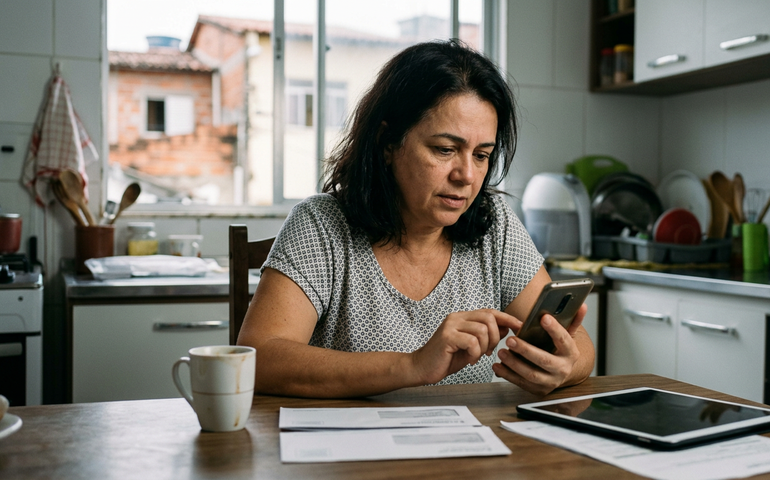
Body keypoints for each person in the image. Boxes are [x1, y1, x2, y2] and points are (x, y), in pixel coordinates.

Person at [237, 40, 594, 398]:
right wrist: (413, 365)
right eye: (444, 150)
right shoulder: (322, 224)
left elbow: (578, 346)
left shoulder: (495, 225)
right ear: (387, 142)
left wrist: (563, 367)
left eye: (482, 155)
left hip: (470, 446)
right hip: (352, 447)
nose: (467, 175)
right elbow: (261, 359)